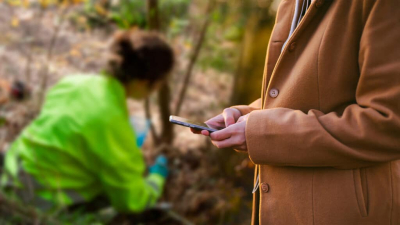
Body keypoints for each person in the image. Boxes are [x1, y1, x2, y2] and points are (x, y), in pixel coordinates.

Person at [193, 0, 400, 224]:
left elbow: (388, 123)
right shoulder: (290, 3)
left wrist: (263, 132)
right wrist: (247, 114)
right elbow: (297, 92)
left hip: (341, 213)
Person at [1, 29, 174, 213]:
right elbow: (133, 201)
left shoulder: (74, 82)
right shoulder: (112, 122)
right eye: (160, 82)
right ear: (143, 82)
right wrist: (157, 178)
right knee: (108, 202)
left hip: (11, 171)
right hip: (37, 198)